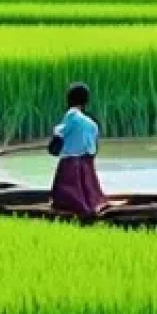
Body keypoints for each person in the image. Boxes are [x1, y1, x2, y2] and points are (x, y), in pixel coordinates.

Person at [50, 82, 106, 219]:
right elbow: (93, 149)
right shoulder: (92, 124)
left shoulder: (72, 115)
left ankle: (75, 208)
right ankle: (91, 203)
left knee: (65, 195)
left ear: (69, 99)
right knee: (89, 192)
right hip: (87, 164)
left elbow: (61, 132)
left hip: (71, 163)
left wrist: (55, 134)